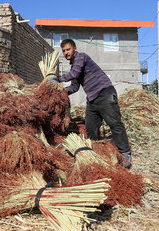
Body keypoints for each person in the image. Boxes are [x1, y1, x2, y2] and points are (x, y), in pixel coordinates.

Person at [51, 39, 132, 168]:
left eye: (68, 49)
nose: (66, 53)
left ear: (74, 49)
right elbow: (74, 87)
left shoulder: (81, 57)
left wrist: (57, 79)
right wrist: (60, 92)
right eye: (64, 51)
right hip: (92, 99)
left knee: (115, 124)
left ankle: (125, 154)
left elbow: (74, 74)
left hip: (105, 94)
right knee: (91, 128)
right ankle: (97, 153)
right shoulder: (74, 66)